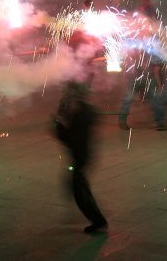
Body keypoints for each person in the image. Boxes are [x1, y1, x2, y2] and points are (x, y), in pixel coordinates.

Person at [54, 81, 108, 234]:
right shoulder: (85, 111)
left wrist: (58, 126)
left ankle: (98, 221)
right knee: (79, 184)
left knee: (79, 190)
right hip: (84, 155)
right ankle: (97, 219)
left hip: (79, 156)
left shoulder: (79, 116)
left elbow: (68, 138)